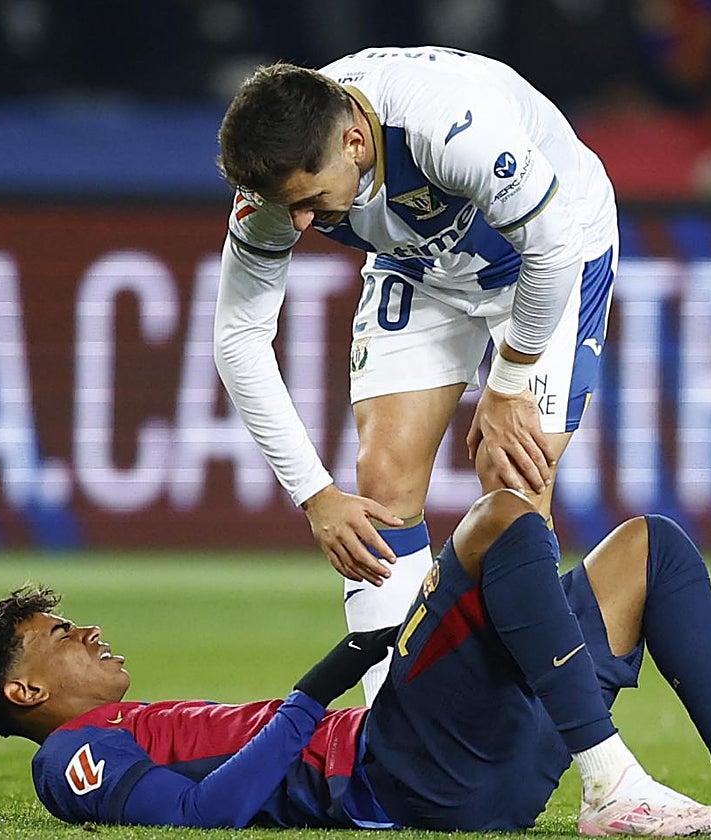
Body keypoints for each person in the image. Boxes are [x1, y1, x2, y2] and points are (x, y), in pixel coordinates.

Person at [0, 490, 711, 835]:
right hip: (402, 769)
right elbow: (206, 817)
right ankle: (613, 784)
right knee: (499, 518)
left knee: (649, 548)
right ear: (23, 690)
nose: (86, 632)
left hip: (473, 765)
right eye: (58, 635)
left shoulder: (135, 725)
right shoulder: (72, 755)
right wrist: (321, 684)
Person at [214, 46, 620, 701]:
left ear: (353, 142)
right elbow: (237, 340)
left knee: (512, 484)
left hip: (547, 253)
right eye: (288, 207)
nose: (300, 224)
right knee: (382, 482)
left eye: (311, 201)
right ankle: (392, 731)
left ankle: (534, 721)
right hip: (419, 264)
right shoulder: (277, 183)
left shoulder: (449, 126)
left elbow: (552, 246)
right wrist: (316, 495)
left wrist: (507, 381)